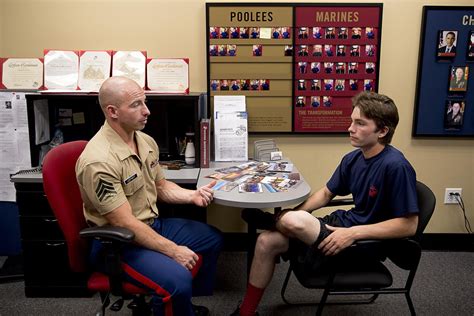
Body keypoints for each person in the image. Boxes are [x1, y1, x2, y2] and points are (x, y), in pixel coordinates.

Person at [230, 91, 419, 316]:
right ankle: (247, 312)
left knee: (292, 219)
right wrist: (299, 213)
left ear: (382, 131)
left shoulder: (396, 166)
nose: (350, 128)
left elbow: (409, 226)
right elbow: (327, 193)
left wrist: (353, 234)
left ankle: (274, 220)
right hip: (339, 228)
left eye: (360, 123)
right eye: (352, 121)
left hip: (362, 245)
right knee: (265, 241)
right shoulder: (354, 158)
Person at [76, 77, 223, 316]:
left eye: (145, 102)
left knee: (211, 239)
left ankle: (181, 306)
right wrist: (173, 250)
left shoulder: (144, 141)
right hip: (118, 243)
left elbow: (161, 186)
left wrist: (192, 196)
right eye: (136, 105)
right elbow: (123, 222)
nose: (147, 111)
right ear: (112, 111)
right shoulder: (98, 161)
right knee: (176, 281)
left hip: (151, 225)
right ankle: (174, 296)